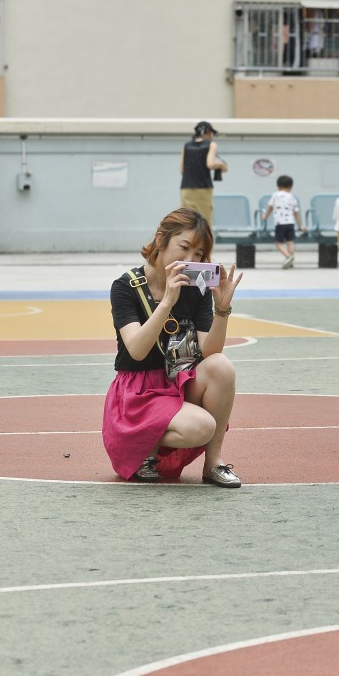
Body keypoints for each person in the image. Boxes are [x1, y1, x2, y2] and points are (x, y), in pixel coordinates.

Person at [102, 207, 244, 488]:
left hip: (175, 383)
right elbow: (137, 350)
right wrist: (166, 301)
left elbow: (210, 351)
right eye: (184, 247)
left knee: (221, 367)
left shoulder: (197, 286)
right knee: (202, 426)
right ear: (160, 239)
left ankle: (213, 463)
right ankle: (139, 445)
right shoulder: (126, 287)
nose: (191, 260)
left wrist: (222, 309)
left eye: (199, 254)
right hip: (138, 394)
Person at [179, 121, 228, 227]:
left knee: (187, 222)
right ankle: (205, 244)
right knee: (204, 222)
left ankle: (188, 243)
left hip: (186, 188)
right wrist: (221, 166)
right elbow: (210, 164)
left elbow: (182, 170)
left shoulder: (186, 146)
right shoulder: (211, 145)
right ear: (208, 132)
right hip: (203, 188)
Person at [262, 174, 304, 269]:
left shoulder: (275, 195)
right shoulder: (291, 197)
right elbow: (296, 212)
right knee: (290, 242)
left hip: (280, 223)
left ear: (278, 186)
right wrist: (300, 225)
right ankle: (291, 260)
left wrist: (265, 216)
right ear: (291, 186)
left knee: (278, 243)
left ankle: (288, 256)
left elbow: (270, 207)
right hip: (290, 223)